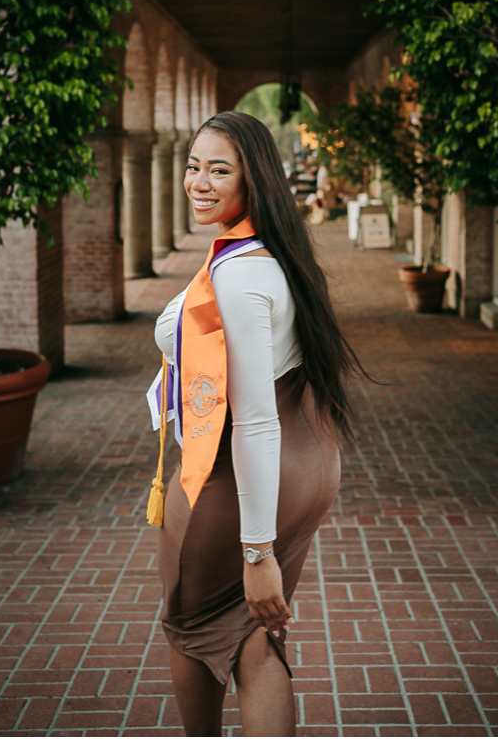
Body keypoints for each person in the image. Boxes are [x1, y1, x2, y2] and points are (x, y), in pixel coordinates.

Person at [148, 111, 361, 737]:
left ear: (254, 179)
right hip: (308, 464)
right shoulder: (270, 252)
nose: (199, 182)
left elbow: (256, 421)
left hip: (238, 477)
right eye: (193, 166)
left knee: (191, 627)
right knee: (255, 631)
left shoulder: (239, 275)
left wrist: (257, 551)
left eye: (220, 170)